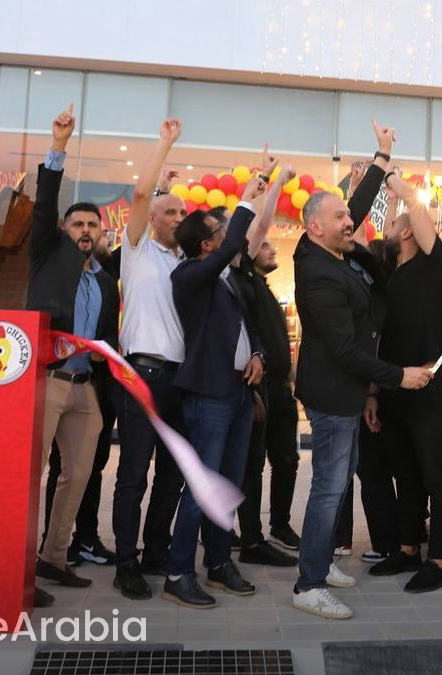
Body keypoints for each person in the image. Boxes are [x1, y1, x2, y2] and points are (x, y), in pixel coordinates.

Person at [291, 120, 431, 619]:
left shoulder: (330, 249)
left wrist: (381, 156)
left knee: (336, 482)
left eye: (347, 215)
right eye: (339, 217)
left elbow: (358, 205)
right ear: (315, 227)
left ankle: (320, 563)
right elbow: (346, 351)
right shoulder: (318, 274)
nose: (350, 221)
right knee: (329, 489)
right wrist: (398, 376)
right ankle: (308, 584)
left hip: (346, 394)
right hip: (332, 394)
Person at [163, 164, 282, 608]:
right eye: (221, 230)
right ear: (206, 244)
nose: (230, 235)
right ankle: (178, 572)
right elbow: (236, 243)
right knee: (203, 488)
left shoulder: (229, 279)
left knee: (229, 484)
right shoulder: (188, 277)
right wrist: (248, 198)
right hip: (209, 397)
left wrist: (258, 356)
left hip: (237, 393)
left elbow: (250, 329)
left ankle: (218, 562)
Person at [27, 104, 120, 604]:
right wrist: (58, 147)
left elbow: (107, 335)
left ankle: (54, 557)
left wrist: (108, 355)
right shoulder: (48, 256)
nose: (86, 230)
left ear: (102, 233)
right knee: (30, 476)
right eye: (78, 223)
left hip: (86, 389)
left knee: (79, 475)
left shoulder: (104, 281)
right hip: (45, 382)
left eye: (93, 225)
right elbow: (44, 205)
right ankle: (17, 568)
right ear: (65, 230)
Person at [110, 119, 190, 600]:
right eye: (171, 211)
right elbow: (142, 194)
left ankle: (156, 550)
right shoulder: (137, 249)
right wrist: (164, 144)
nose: (179, 217)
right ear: (153, 218)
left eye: (183, 211)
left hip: (180, 381)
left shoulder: (185, 262)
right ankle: (126, 562)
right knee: (133, 475)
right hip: (141, 373)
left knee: (172, 475)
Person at [370, 167, 442, 594]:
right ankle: (408, 548)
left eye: (392, 224)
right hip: (394, 391)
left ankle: (439, 560)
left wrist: (394, 181)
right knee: (405, 474)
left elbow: (417, 211)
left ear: (408, 232)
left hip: (428, 389)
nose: (385, 228)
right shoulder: (393, 279)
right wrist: (375, 393)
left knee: (437, 476)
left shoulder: (430, 265)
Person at [233, 237, 303, 566]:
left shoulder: (266, 288)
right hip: (258, 387)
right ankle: (251, 537)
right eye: (264, 246)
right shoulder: (245, 284)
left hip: (280, 389)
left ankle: (280, 525)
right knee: (253, 465)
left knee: (287, 459)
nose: (273, 249)